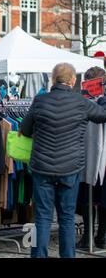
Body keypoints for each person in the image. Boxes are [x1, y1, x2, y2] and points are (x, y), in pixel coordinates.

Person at [20, 63, 106, 258]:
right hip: (70, 168)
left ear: (52, 79)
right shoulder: (81, 103)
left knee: (42, 217)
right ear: (73, 80)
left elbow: (24, 129)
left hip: (42, 169)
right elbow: (103, 116)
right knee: (67, 218)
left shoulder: (39, 101)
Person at [77, 66, 106, 249]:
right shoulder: (82, 103)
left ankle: (98, 235)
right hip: (85, 157)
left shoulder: (82, 103)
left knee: (98, 199)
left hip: (92, 158)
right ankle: (93, 235)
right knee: (92, 199)